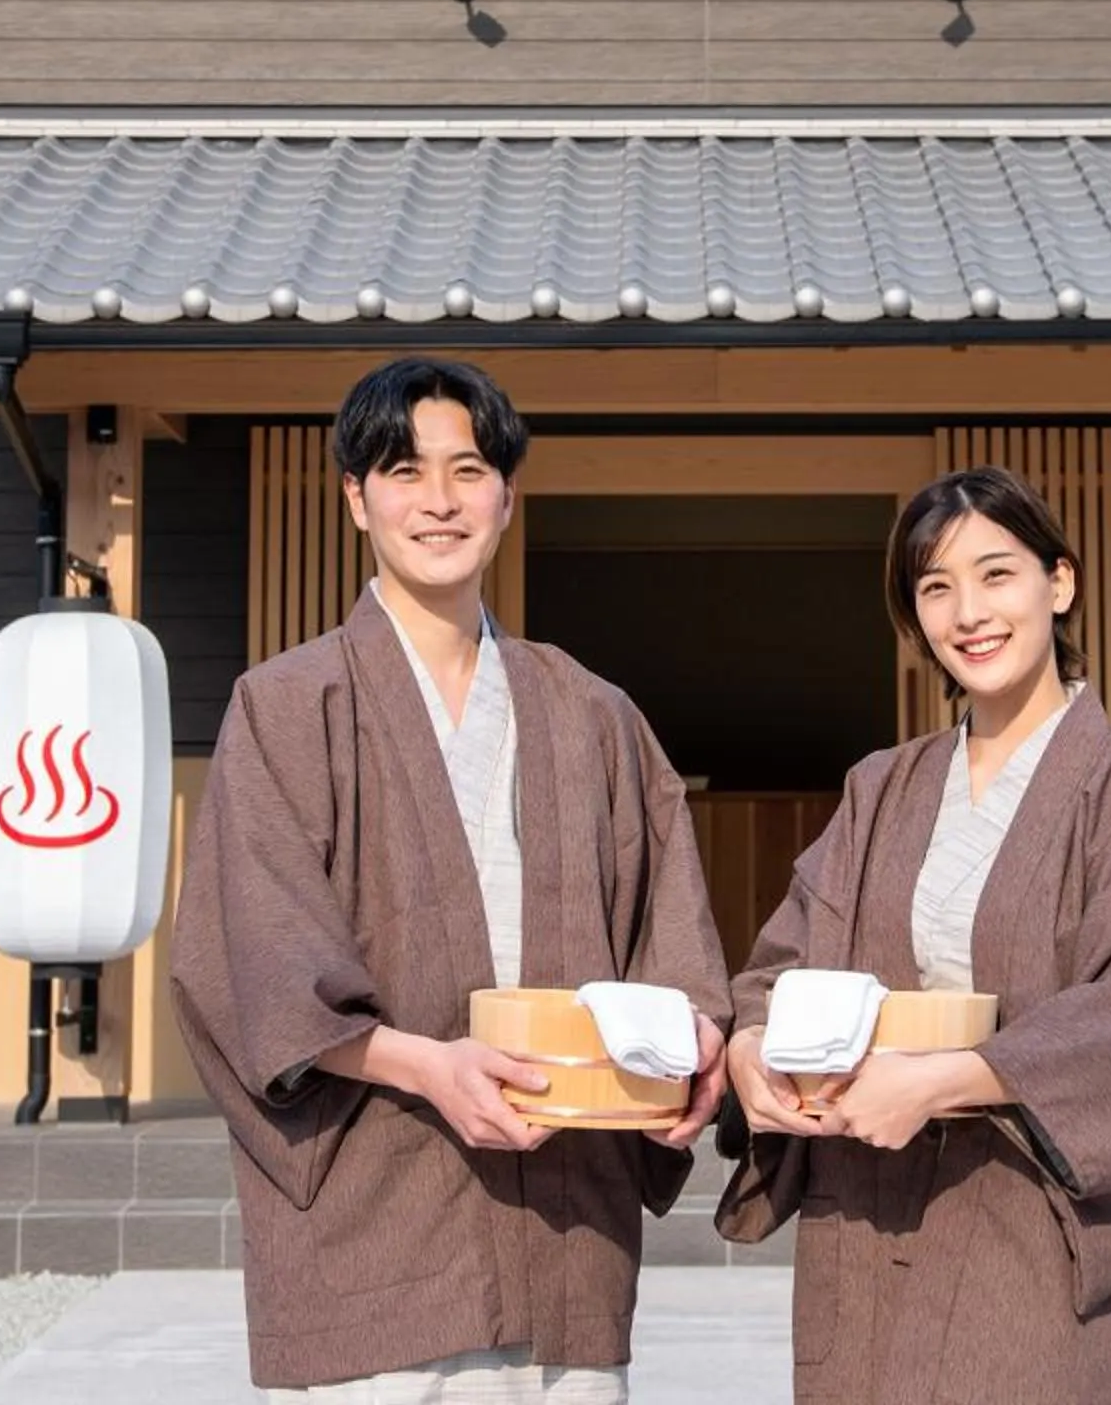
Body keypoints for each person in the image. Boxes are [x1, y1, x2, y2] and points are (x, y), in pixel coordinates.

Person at [170, 357, 731, 1401]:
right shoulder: (287, 705)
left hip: (568, 1215)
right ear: (356, 497)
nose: (439, 500)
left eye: (468, 470)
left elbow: (671, 934)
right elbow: (254, 957)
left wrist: (694, 1041)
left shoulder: (592, 712)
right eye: (404, 470)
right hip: (377, 1207)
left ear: (507, 495)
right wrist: (427, 1066)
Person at [715, 465, 1111, 1402]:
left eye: (997, 574)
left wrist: (943, 1081)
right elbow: (783, 963)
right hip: (868, 1212)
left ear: (1059, 582)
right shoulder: (882, 787)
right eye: (936, 588)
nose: (969, 614)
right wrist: (750, 1049)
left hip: (1035, 1217)